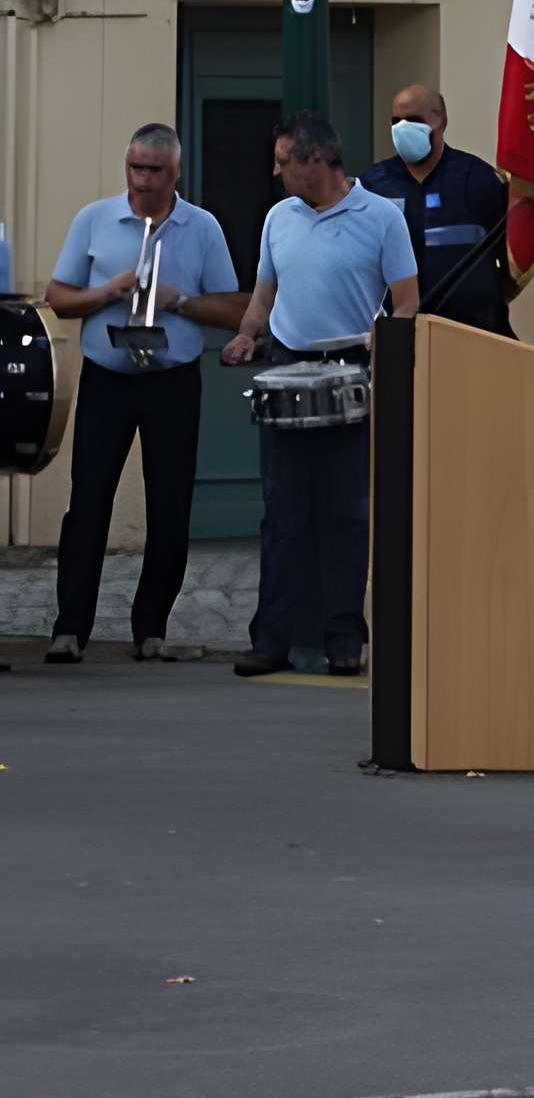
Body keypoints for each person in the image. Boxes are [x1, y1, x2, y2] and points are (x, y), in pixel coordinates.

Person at [223, 115, 419, 677]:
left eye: (284, 160)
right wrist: (247, 333)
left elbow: (407, 299)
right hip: (288, 365)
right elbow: (265, 292)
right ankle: (273, 638)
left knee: (345, 511)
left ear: (316, 161)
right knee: (283, 511)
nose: (276, 170)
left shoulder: (381, 217)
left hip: (350, 365)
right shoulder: (278, 217)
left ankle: (343, 637)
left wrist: (387, 346)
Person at [41, 125, 245, 663]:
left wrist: (181, 302)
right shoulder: (95, 219)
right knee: (88, 501)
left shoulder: (201, 227)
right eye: (135, 168)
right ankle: (70, 628)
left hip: (172, 381)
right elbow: (57, 297)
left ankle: (151, 628)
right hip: (107, 378)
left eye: (155, 170)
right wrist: (106, 292)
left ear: (175, 172)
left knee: (170, 504)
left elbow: (234, 309)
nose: (143, 180)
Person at [361, 84, 513, 335]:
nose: (403, 128)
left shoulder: (478, 179)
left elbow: (509, 254)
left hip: (471, 331)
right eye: (396, 121)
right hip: (398, 332)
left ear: (441, 121)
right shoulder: (373, 185)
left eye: (413, 119)